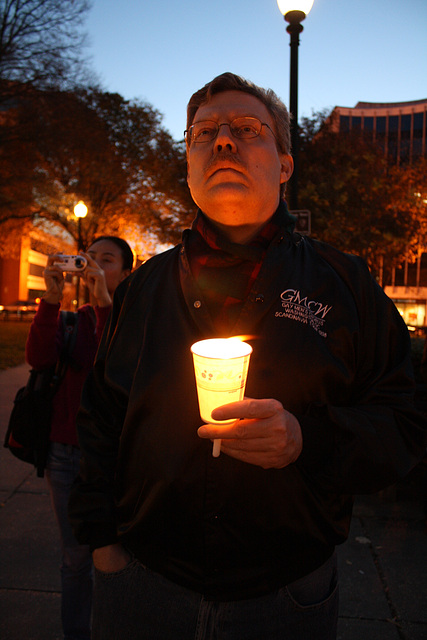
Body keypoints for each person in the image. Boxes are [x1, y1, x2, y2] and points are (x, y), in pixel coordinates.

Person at [69, 74, 427, 640]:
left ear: (285, 165)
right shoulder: (142, 290)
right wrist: (104, 546)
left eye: (248, 129)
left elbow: (404, 423)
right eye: (204, 132)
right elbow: (99, 421)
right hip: (141, 586)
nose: (225, 141)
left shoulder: (344, 285)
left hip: (286, 595)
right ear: (188, 166)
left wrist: (305, 439)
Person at [26, 236, 133, 640]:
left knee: (121, 555)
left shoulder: (132, 320)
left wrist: (106, 305)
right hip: (67, 453)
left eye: (107, 261)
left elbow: (117, 366)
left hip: (121, 456)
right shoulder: (74, 319)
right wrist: (51, 300)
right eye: (88, 259)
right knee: (75, 559)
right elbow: (38, 358)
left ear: (126, 274)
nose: (94, 267)